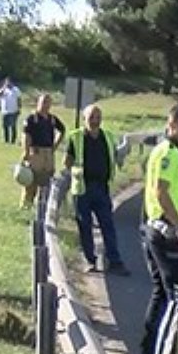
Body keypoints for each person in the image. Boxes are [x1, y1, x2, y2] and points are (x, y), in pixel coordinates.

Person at [138, 102, 178, 354]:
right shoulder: (169, 154)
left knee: (161, 292)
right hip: (165, 231)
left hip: (160, 228)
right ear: (173, 124)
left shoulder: (175, 151)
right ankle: (161, 351)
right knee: (174, 292)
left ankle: (150, 347)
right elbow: (162, 193)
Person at [64, 103, 127, 275]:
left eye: (98, 117)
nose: (95, 121)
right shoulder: (76, 137)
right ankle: (90, 260)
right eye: (91, 117)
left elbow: (114, 155)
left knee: (108, 224)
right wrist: (75, 173)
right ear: (85, 118)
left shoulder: (107, 136)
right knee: (85, 226)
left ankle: (114, 261)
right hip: (83, 188)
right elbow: (67, 161)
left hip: (102, 187)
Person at [20, 94, 64, 209]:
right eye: (44, 102)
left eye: (48, 102)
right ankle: (26, 206)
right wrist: (26, 151)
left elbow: (62, 130)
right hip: (35, 152)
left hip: (48, 153)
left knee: (46, 182)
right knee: (31, 182)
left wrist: (55, 146)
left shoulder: (52, 119)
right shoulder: (32, 118)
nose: (46, 105)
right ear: (38, 103)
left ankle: (42, 208)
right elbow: (26, 135)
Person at [0, 77, 21, 144]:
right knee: (5, 126)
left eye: (8, 82)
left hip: (13, 111)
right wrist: (3, 88)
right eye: (6, 82)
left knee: (13, 126)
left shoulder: (16, 90)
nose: (7, 83)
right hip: (4, 111)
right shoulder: (3, 90)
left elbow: (19, 99)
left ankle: (13, 140)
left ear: (11, 82)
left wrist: (19, 108)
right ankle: (6, 140)